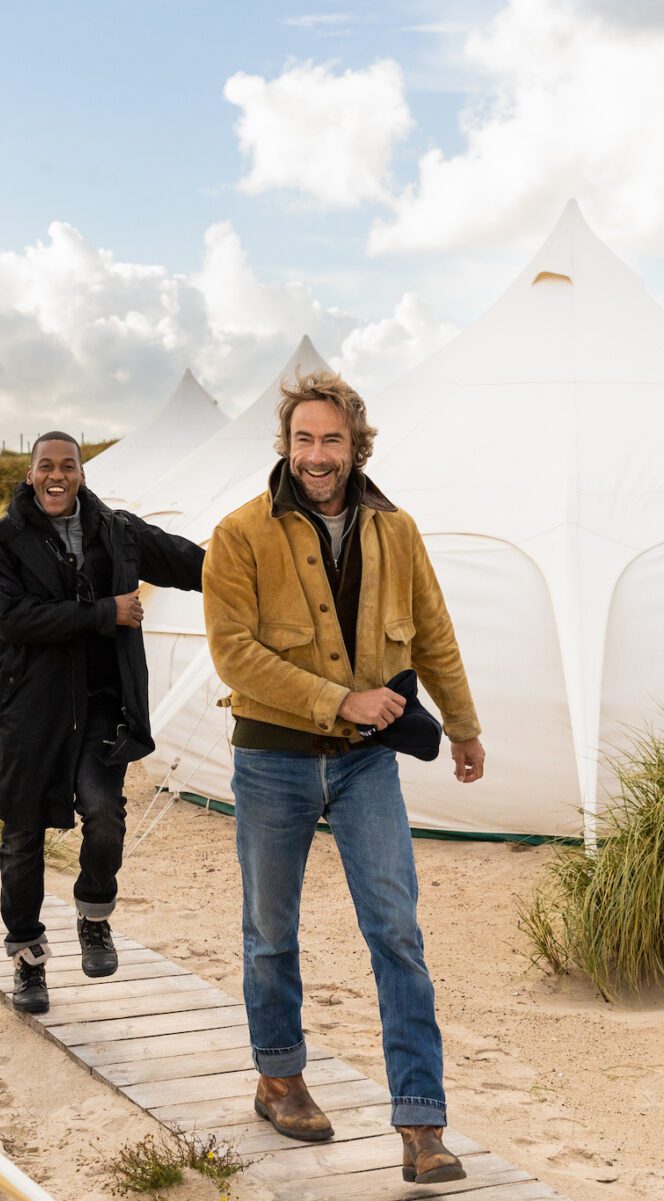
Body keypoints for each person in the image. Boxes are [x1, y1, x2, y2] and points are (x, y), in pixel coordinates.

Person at [202, 370, 486, 1185]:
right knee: (270, 930)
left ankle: (422, 1122)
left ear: (356, 443)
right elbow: (236, 653)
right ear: (285, 445)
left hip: (368, 767)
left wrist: (463, 727)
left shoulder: (397, 532)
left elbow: (433, 632)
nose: (316, 456)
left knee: (396, 930)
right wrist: (341, 699)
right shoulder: (238, 534)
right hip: (271, 760)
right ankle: (280, 1076)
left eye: (331, 439)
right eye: (302, 439)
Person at [0, 432, 205, 1014]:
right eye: (45, 466)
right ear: (30, 474)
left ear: (81, 473)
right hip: (32, 708)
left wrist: (257, 565)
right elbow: (13, 618)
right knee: (23, 833)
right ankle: (28, 959)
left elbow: (191, 563)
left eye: (68, 466)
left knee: (104, 814)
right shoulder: (0, 541)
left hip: (102, 703)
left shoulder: (116, 529)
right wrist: (106, 612)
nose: (57, 476)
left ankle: (94, 912)